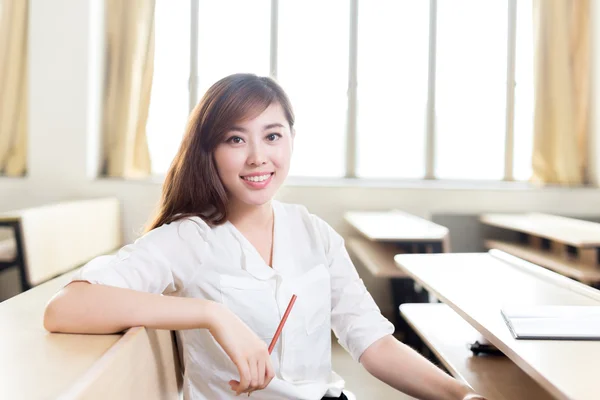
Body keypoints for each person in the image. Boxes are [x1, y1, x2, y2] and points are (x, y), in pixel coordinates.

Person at [43, 73, 486, 400]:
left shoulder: (316, 235)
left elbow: (373, 344)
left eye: (272, 135)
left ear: (291, 139)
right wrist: (209, 313)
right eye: (235, 139)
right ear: (209, 152)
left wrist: (462, 396)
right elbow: (66, 308)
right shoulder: (189, 239)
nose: (258, 157)